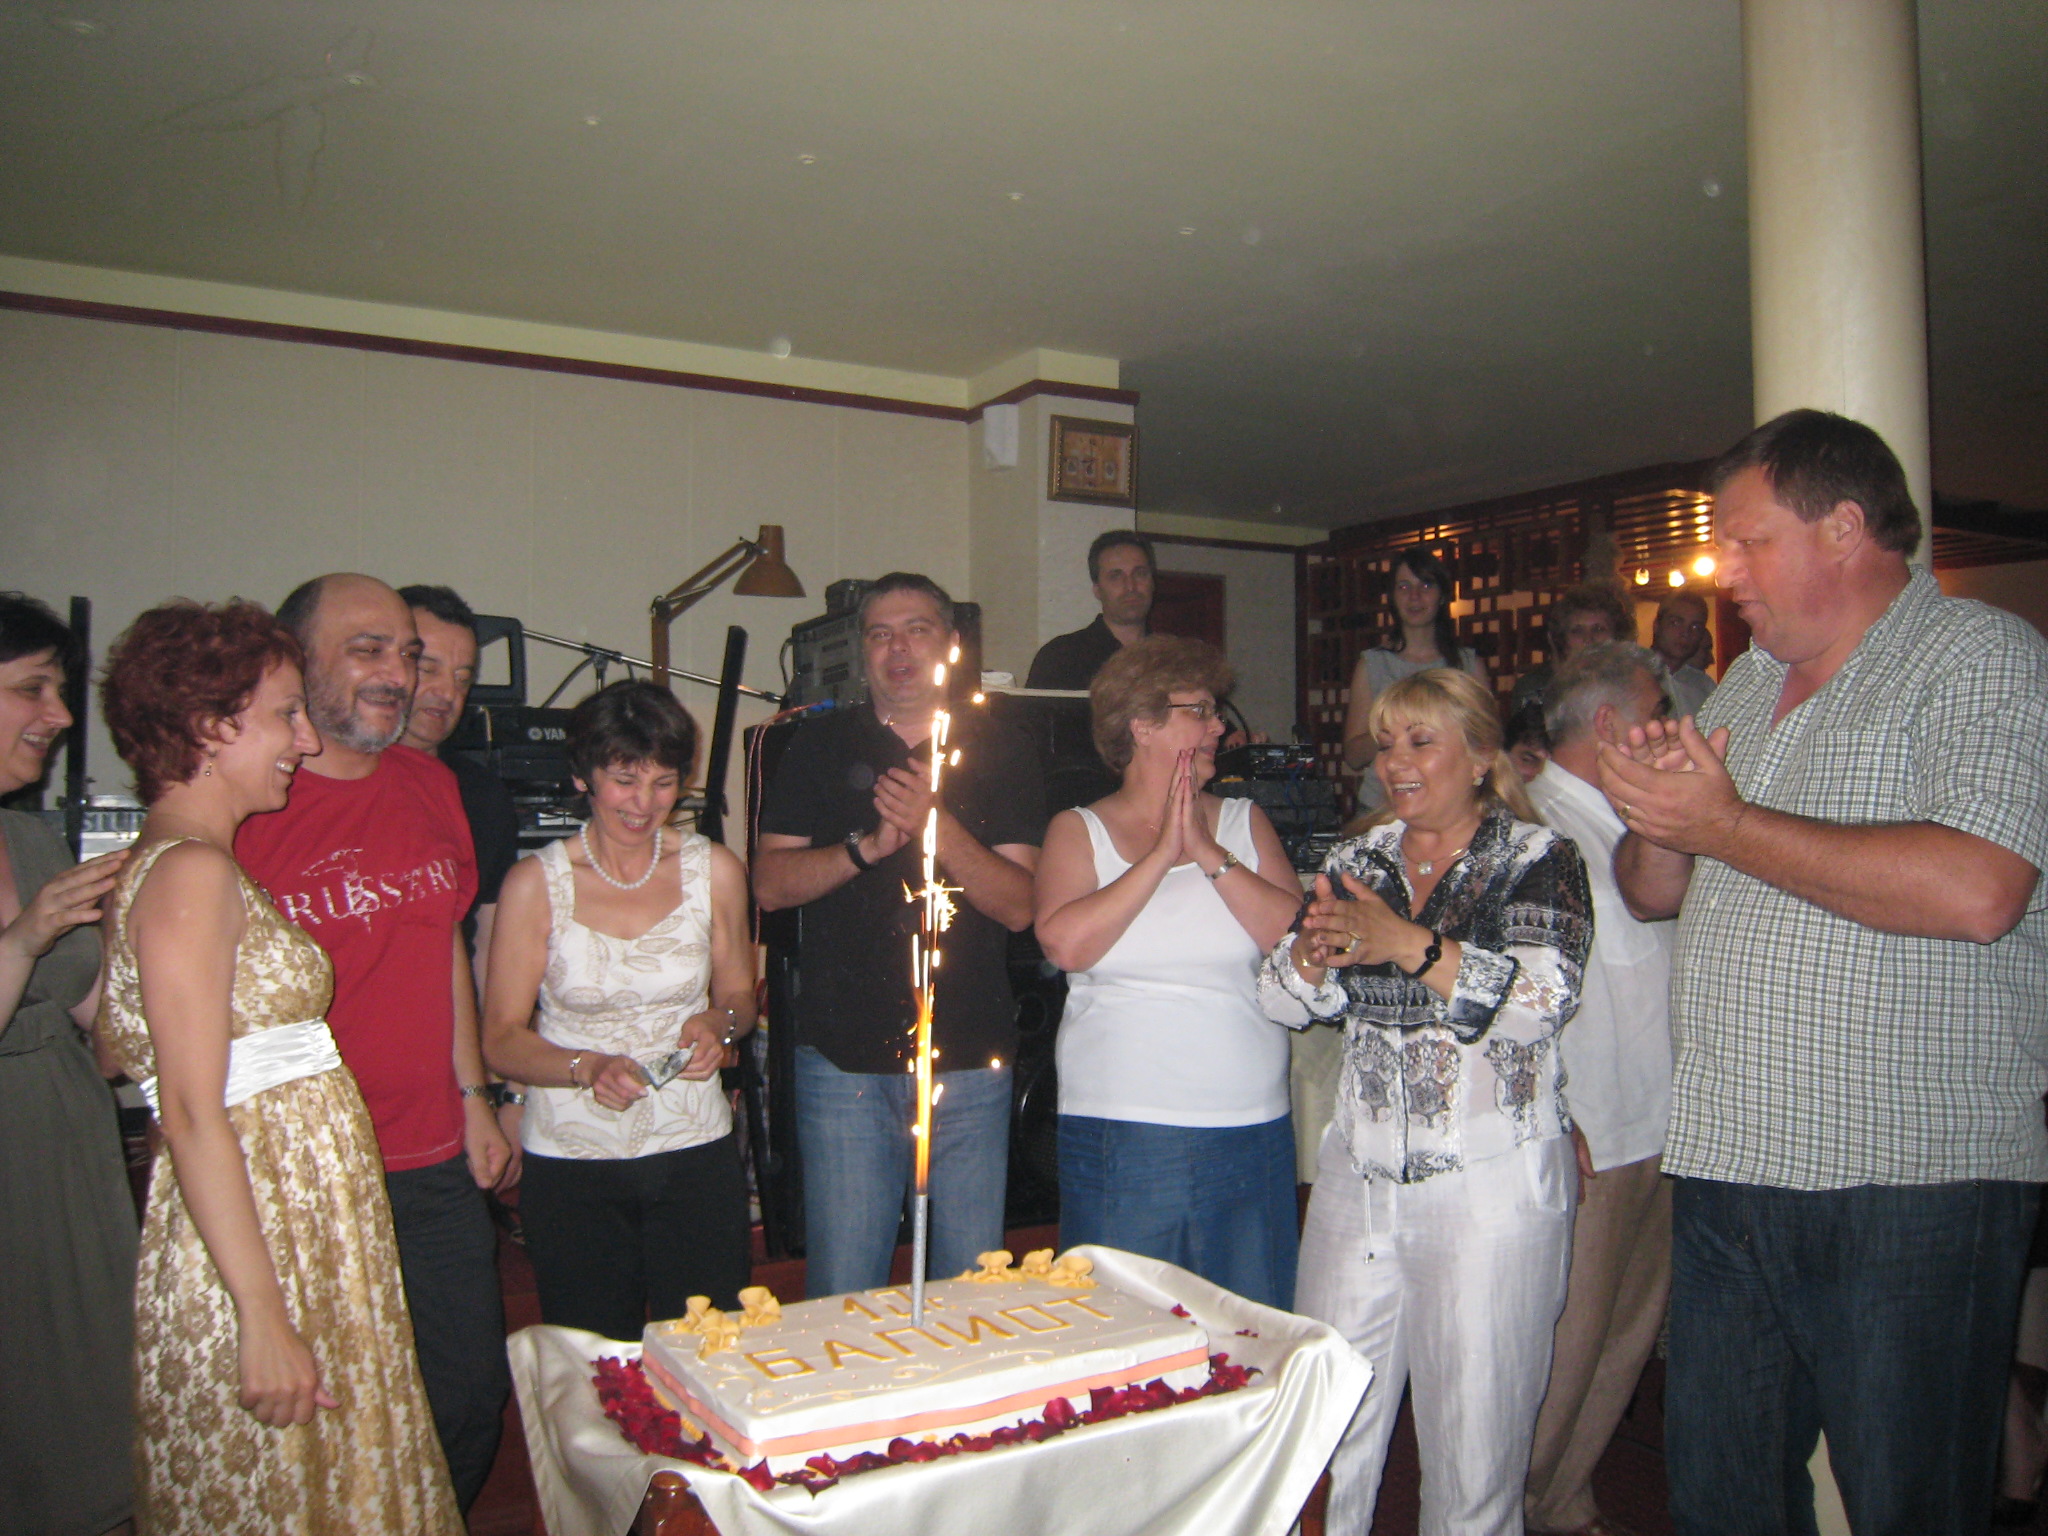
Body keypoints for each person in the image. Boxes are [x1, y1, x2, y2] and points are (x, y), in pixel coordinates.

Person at [1600, 409, 2048, 1536]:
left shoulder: (1979, 657)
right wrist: (1661, 816)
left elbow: (1979, 890)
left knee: (1909, 1505)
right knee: (1723, 1502)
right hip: (1731, 1165)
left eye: (1748, 542)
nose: (1724, 571)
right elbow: (1653, 893)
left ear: (1844, 527)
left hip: (1907, 1182)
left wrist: (1725, 822)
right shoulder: (1746, 685)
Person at [97, 598, 460, 1535]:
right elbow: (188, 1109)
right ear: (209, 727)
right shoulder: (191, 872)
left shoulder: (182, 863)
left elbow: (114, 1039)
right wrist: (260, 1315)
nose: (303, 740)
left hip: (296, 1214)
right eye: (284, 715)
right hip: (265, 1230)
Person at [1261, 666, 1592, 1536]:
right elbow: (1282, 1002)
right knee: (1323, 1434)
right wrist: (1308, 960)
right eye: (1384, 744)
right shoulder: (1356, 859)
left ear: (1481, 757)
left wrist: (1407, 943)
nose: (1394, 763)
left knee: (1473, 1457)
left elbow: (1539, 1004)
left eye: (1419, 741)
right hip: (1356, 1180)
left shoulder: (1537, 859)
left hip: (1491, 1188)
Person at [235, 573, 510, 1511]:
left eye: (409, 654)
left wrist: (475, 1098)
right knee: (335, 1424)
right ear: (295, 660)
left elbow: (443, 948)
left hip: (432, 1157)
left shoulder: (432, 787)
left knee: (467, 1398)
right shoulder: (244, 805)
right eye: (368, 650)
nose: (400, 673)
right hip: (304, 1174)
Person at [755, 572, 1045, 1294]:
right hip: (844, 1060)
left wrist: (935, 828)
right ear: (863, 651)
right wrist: (867, 848)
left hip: (969, 1055)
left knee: (967, 1293)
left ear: (950, 642)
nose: (898, 650)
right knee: (845, 1290)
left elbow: (1021, 905)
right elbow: (769, 885)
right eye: (880, 634)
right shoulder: (820, 743)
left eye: (917, 630)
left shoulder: (1002, 747)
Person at [1033, 636, 1304, 1309]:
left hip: (1252, 1125)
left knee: (1252, 1330)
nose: (1220, 729)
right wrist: (1161, 854)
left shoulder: (1244, 822)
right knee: (1129, 1332)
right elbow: (1066, 946)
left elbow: (1296, 941)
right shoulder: (1078, 830)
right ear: (1142, 724)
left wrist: (1207, 851)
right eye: (1201, 711)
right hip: (1127, 1131)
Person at [481, 681, 755, 1339]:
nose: (644, 804)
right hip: (573, 1159)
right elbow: (501, 1038)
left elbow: (741, 996)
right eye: (625, 781)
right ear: (584, 777)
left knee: (709, 1346)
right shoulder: (536, 883)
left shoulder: (714, 869)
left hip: (694, 1148)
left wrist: (717, 1025)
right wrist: (586, 1066)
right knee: (594, 1357)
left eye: (664, 783)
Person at [1523, 643, 1677, 1536]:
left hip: (1660, 1119)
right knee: (1566, 1345)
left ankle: (1564, 1498)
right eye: (1658, 711)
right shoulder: (1537, 826)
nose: (1671, 727)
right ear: (1613, 725)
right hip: (1593, 1130)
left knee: (1624, 1336)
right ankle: (1513, 1502)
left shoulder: (1637, 822)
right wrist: (1554, 1109)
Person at [0, 593, 136, 1536]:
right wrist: (25, 936)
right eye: (31, 689)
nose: (56, 715)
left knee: (89, 1417)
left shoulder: (29, 836)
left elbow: (104, 1033)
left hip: (69, 1155)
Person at [397, 584, 526, 1187]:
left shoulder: (478, 796)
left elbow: (492, 959)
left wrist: (510, 1096)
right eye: (427, 669)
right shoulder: (300, 785)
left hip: (450, 1091)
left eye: (463, 677)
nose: (447, 693)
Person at [1340, 549, 1489, 812]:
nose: (1414, 596)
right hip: (1382, 806)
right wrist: (1396, 731)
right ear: (1392, 597)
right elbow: (1353, 756)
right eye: (1404, 586)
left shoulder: (1468, 665)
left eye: (1426, 586)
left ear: (1442, 596)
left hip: (1450, 807)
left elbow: (1488, 742)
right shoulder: (1373, 664)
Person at [1025, 530, 1156, 690]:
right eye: (1116, 576)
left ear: (1152, 582)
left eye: (1140, 574)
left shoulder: (1172, 658)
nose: (1130, 586)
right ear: (1097, 589)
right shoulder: (1059, 658)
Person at [1509, 581, 1635, 717]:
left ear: (1616, 636)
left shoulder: (1633, 682)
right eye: (1577, 631)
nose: (1588, 639)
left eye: (1598, 629)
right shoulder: (1534, 688)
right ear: (1563, 640)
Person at [1651, 590, 1716, 719]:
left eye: (1695, 627)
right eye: (1676, 623)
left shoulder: (1706, 688)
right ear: (1657, 625)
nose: (1685, 633)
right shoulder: (1632, 675)